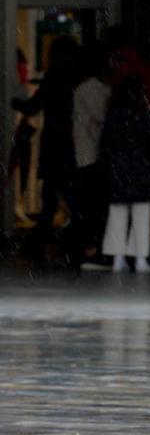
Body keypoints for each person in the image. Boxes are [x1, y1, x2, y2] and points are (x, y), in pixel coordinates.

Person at [12, 36, 83, 265]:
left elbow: (34, 106)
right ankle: (75, 248)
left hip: (53, 145)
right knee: (74, 202)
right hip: (71, 145)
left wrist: (12, 101)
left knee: (49, 202)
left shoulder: (54, 76)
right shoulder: (76, 76)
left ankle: (36, 247)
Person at [97, 75, 150, 272]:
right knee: (141, 216)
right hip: (141, 172)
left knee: (117, 215)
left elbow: (105, 145)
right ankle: (140, 258)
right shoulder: (145, 114)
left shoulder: (113, 115)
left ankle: (118, 258)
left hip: (118, 172)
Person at [72, 50, 112, 268]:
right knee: (92, 206)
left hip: (86, 155)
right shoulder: (92, 88)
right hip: (91, 155)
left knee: (87, 206)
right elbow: (100, 115)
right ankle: (90, 250)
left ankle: (86, 249)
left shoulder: (83, 88)